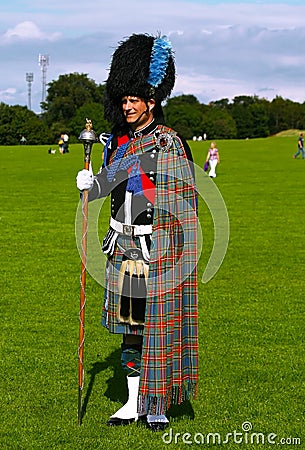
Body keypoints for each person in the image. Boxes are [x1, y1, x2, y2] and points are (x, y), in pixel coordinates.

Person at [76, 33, 199, 431]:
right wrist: (88, 183)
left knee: (157, 327)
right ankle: (132, 403)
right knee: (132, 328)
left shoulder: (169, 143)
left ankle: (157, 404)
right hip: (123, 246)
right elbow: (105, 187)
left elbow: (185, 202)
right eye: (123, 99)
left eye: (135, 99)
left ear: (151, 100)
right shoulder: (118, 141)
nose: (128, 106)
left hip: (156, 246)